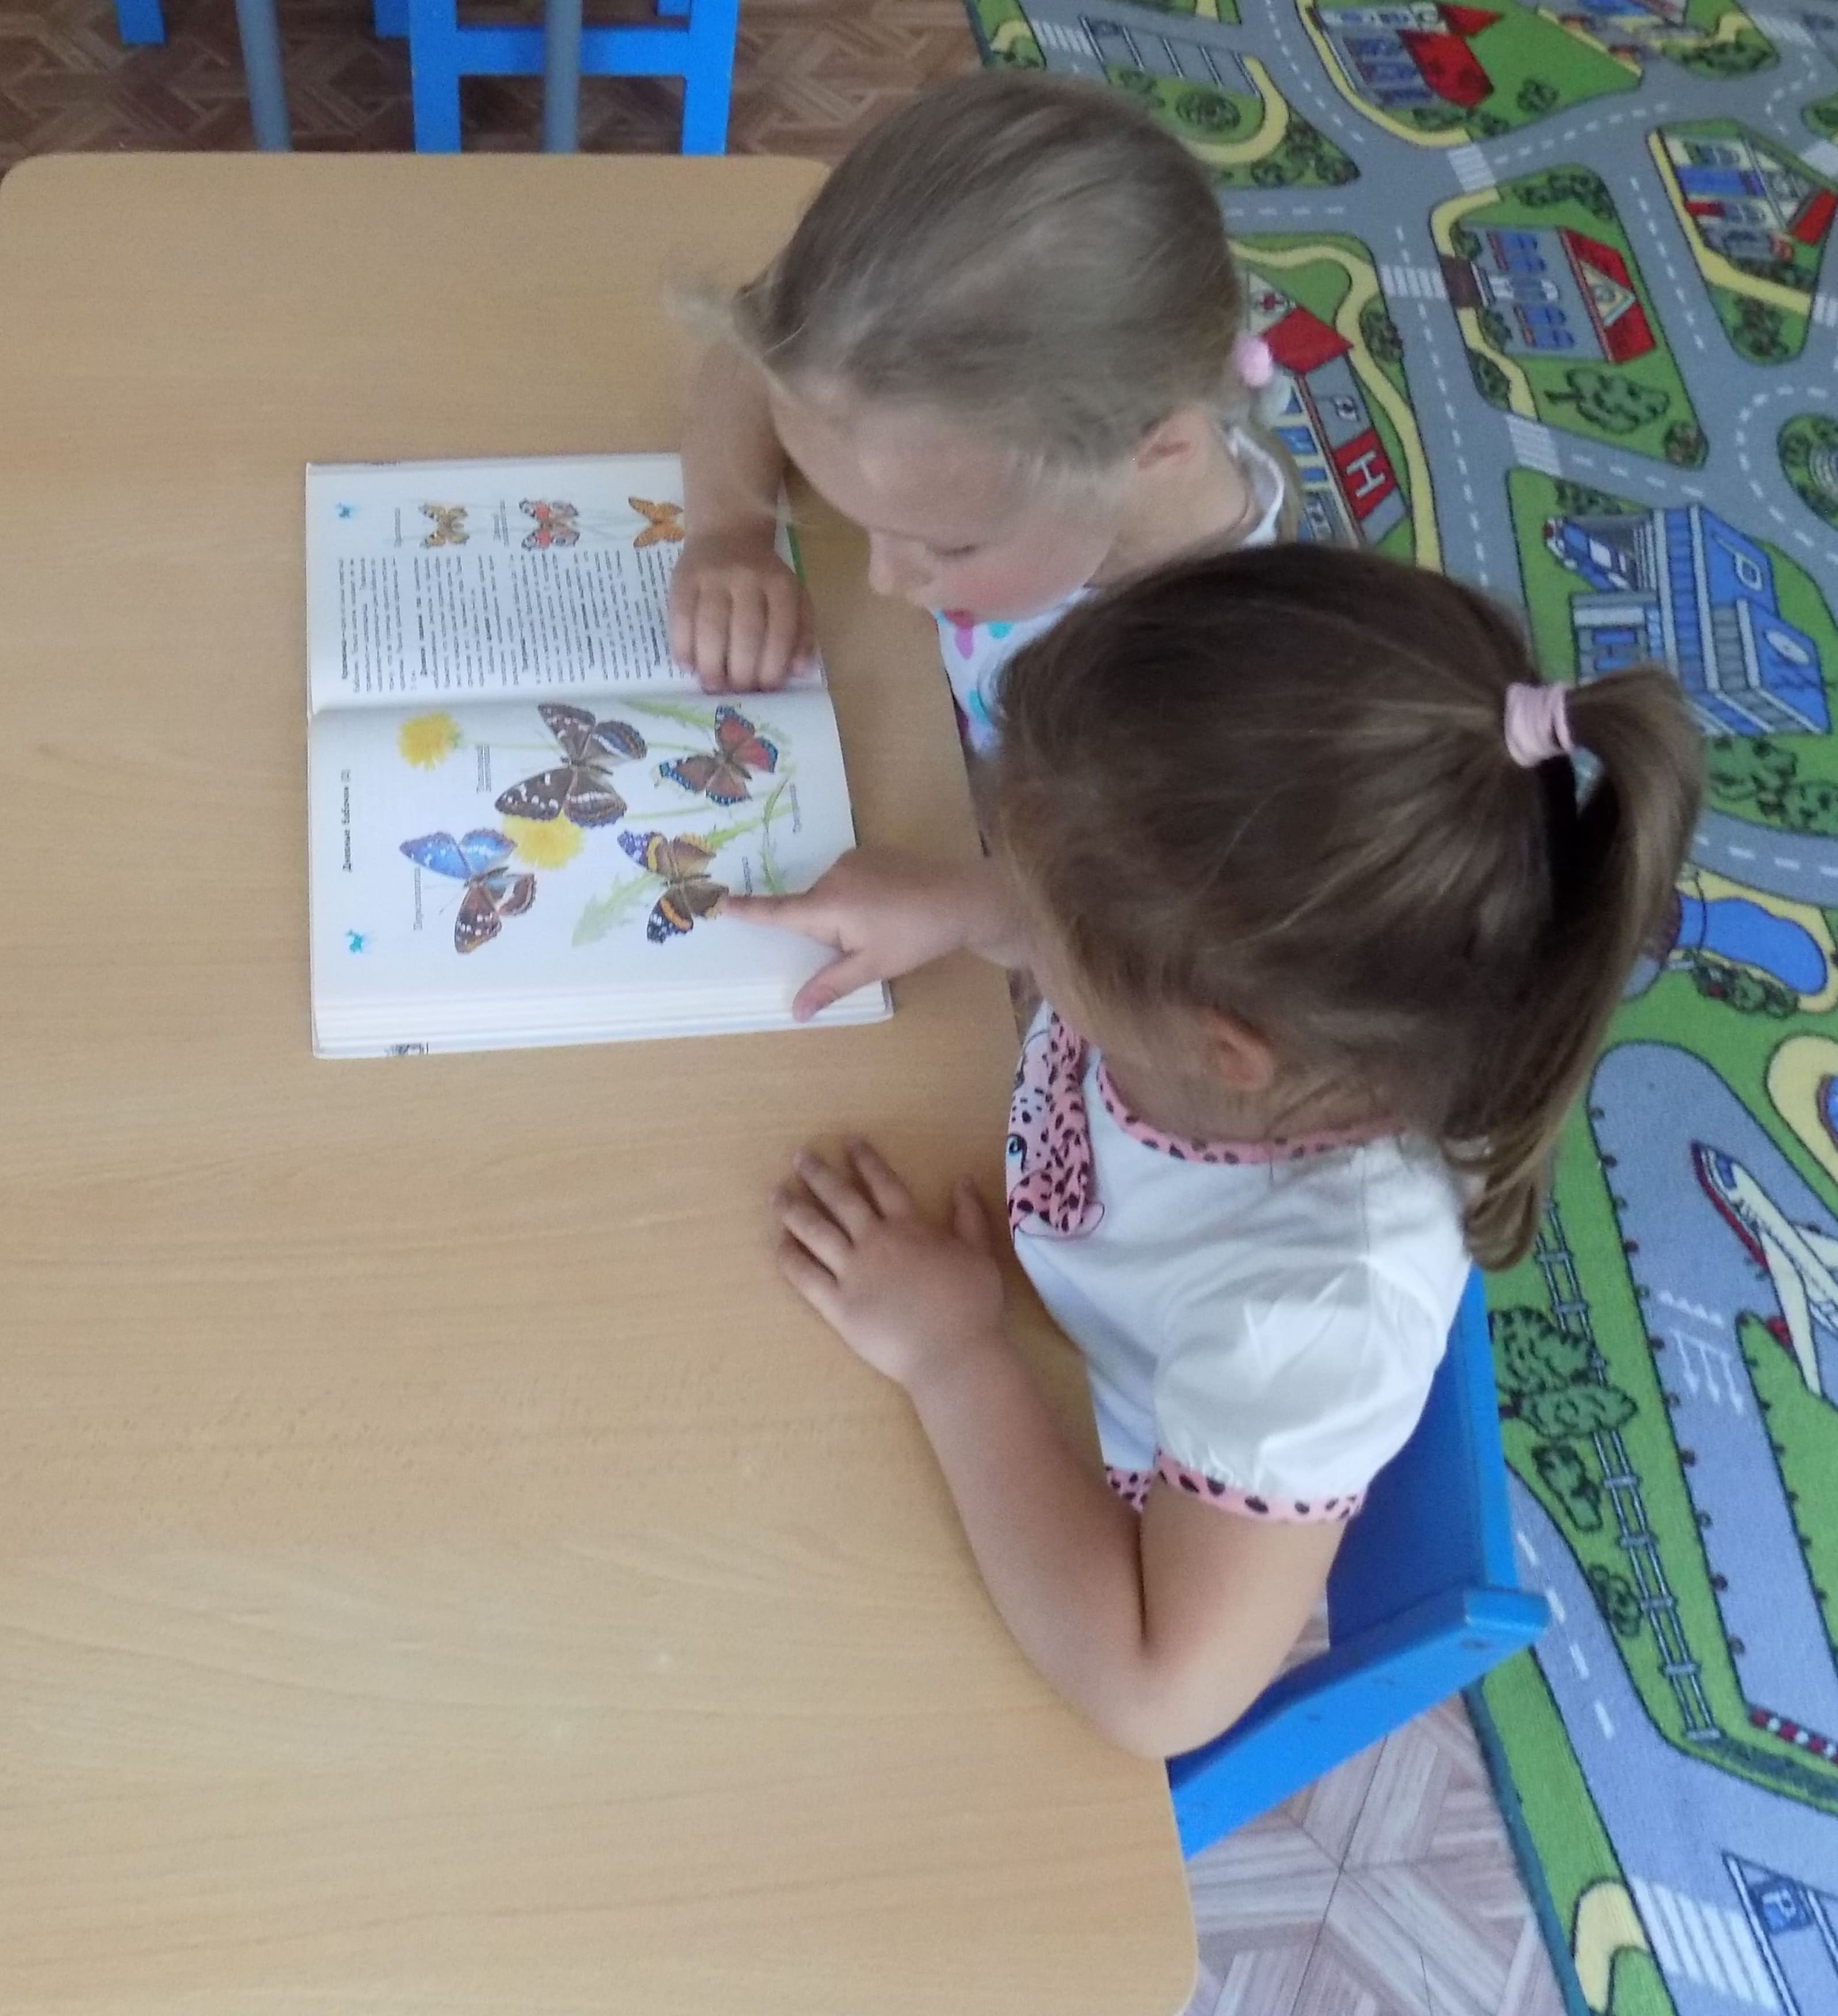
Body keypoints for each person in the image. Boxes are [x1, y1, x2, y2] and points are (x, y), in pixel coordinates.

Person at [736, 547, 1702, 1756]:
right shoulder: (1276, 1004)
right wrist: (967, 902)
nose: (1022, 906)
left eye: (1047, 914)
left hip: (1071, 1466)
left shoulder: (1315, 1319)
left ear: (1219, 1047)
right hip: (1028, 1274)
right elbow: (1135, 919)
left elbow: (1155, 1689)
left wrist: (953, 1351)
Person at [667, 69, 1300, 750]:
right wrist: (728, 532)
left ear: (1156, 449)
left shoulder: (1196, 699)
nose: (885, 580)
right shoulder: (1036, 434)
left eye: (948, 545)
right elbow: (750, 362)